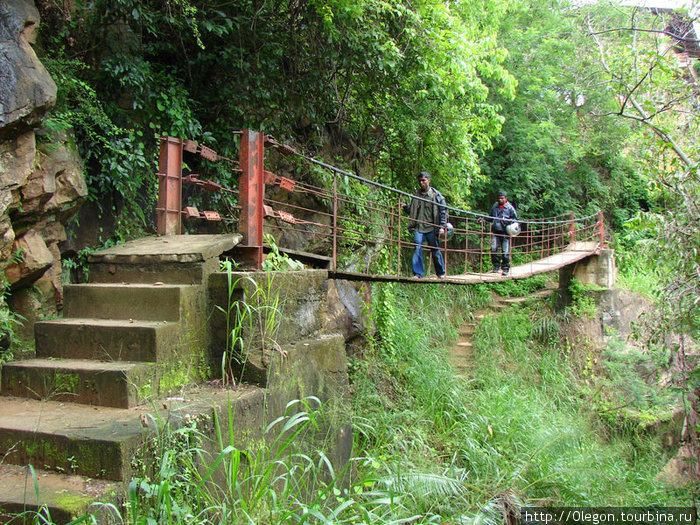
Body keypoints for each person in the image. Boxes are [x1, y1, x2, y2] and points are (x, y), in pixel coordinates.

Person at [404, 171, 447, 279]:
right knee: (417, 247)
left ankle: (441, 273)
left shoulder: (436, 196)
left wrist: (442, 227)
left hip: (432, 227)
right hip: (419, 227)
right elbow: (413, 211)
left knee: (435, 250)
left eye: (423, 180)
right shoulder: (417, 195)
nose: (421, 183)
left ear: (429, 181)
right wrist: (405, 207)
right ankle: (418, 274)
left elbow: (443, 211)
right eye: (420, 181)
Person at [481, 190, 518, 276]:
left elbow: (516, 220)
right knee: (493, 249)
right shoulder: (495, 206)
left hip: (505, 233)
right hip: (495, 231)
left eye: (502, 198)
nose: (500, 200)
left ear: (506, 198)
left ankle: (505, 268)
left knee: (505, 251)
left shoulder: (510, 208)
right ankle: (496, 266)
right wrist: (483, 219)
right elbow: (490, 217)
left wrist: (508, 221)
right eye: (499, 198)